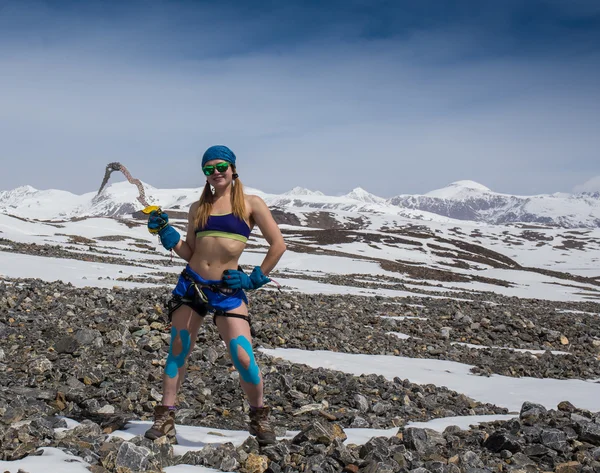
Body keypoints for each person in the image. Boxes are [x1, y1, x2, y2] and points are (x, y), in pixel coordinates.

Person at [143, 145, 286, 445]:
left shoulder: (251, 205)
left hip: (227, 290)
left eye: (221, 167)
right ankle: (165, 417)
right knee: (178, 350)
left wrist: (253, 279)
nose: (216, 173)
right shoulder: (198, 208)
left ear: (233, 169)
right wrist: (168, 237)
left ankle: (259, 417)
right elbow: (190, 252)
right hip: (192, 285)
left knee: (243, 356)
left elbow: (278, 245)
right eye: (209, 169)